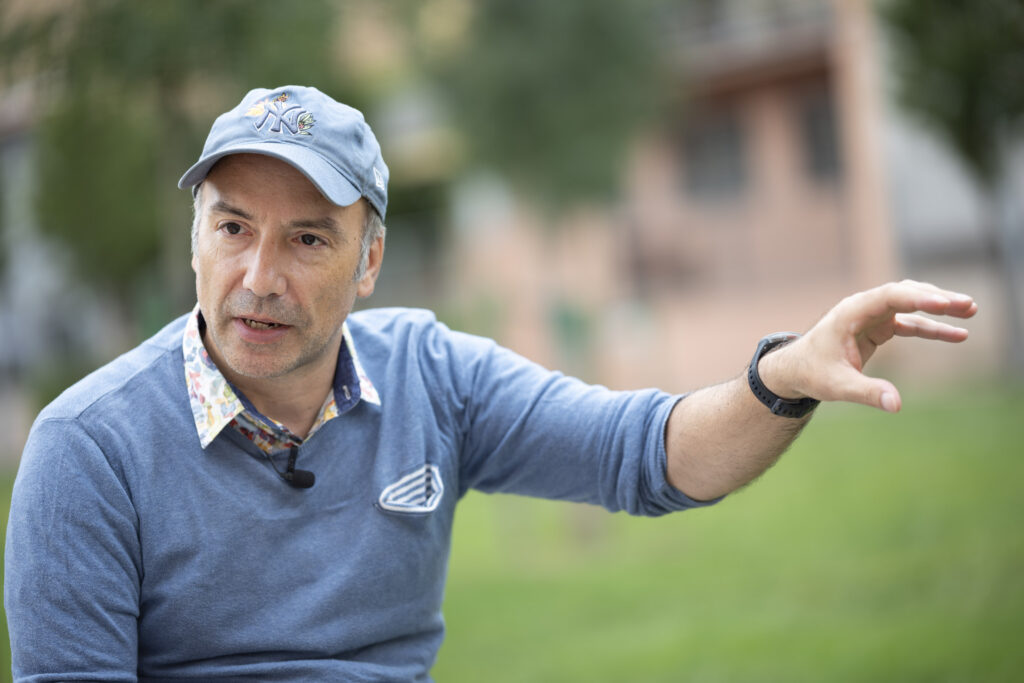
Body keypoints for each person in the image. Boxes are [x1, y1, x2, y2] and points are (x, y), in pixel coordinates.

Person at [4, 85, 977, 681]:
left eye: (307, 238)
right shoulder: (88, 450)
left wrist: (780, 377)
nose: (259, 276)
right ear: (195, 235)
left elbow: (643, 451)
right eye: (232, 227)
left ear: (371, 259)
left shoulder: (430, 373)